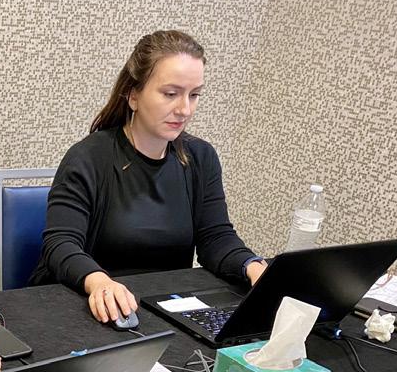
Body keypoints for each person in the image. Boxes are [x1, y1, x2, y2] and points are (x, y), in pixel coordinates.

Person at [29, 30, 267, 324]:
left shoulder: (201, 158)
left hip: (163, 308)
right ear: (133, 95)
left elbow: (215, 237)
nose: (184, 109)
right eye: (170, 94)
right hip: (91, 307)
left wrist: (252, 266)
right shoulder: (88, 158)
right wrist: (98, 281)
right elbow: (61, 244)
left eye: (194, 95)